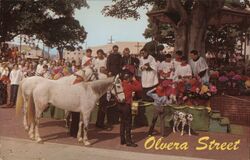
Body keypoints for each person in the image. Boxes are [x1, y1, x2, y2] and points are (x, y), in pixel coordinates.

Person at [119, 73, 142, 147]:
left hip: (120, 106)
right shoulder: (129, 85)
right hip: (126, 105)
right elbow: (139, 88)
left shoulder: (120, 84)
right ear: (128, 78)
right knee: (128, 124)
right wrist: (135, 81)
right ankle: (129, 141)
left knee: (122, 123)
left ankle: (122, 140)